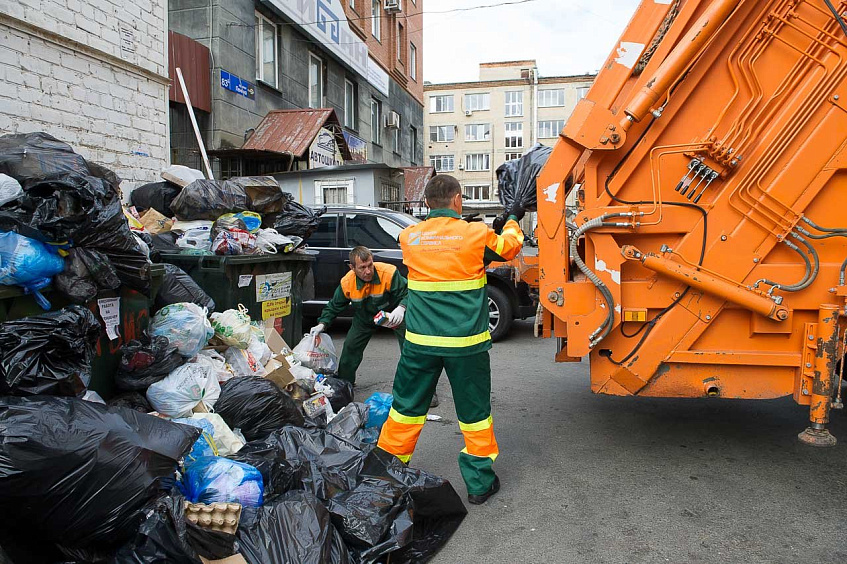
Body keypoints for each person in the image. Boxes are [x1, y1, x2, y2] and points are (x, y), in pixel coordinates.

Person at [377, 175, 525, 505]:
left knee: (404, 410)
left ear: (427, 203)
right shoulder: (476, 234)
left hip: (419, 343)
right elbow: (510, 246)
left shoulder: (408, 236)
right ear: (457, 199)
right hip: (465, 345)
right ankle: (479, 484)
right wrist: (513, 217)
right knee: (474, 416)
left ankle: (387, 476)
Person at [310, 246, 408, 386]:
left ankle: (420, 388)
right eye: (362, 268)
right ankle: (345, 383)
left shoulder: (388, 273)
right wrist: (322, 324)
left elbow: (408, 292)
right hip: (365, 317)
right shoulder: (347, 283)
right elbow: (334, 306)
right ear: (352, 267)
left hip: (393, 313)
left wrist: (401, 308)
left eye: (370, 265)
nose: (368, 271)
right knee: (351, 347)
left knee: (411, 347)